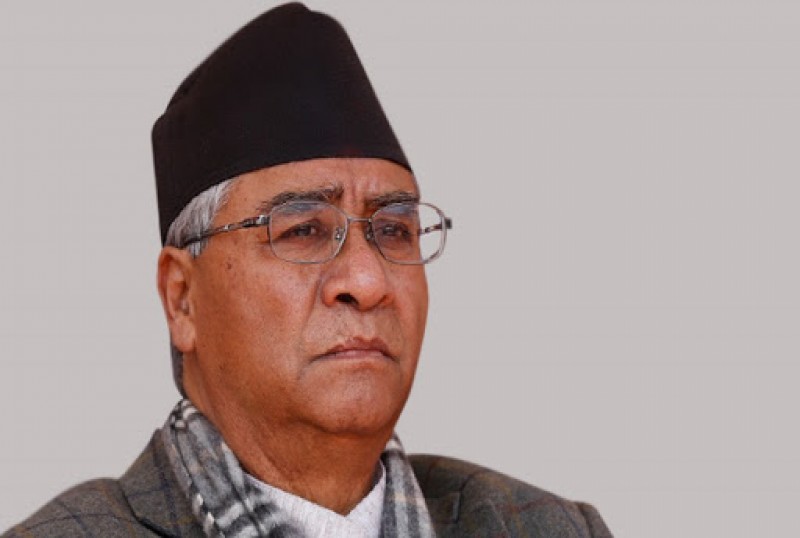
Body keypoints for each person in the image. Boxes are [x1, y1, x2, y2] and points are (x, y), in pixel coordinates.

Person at [3, 4, 612, 537]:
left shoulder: (544, 527)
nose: (368, 282)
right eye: (303, 230)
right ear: (182, 298)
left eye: (394, 230)